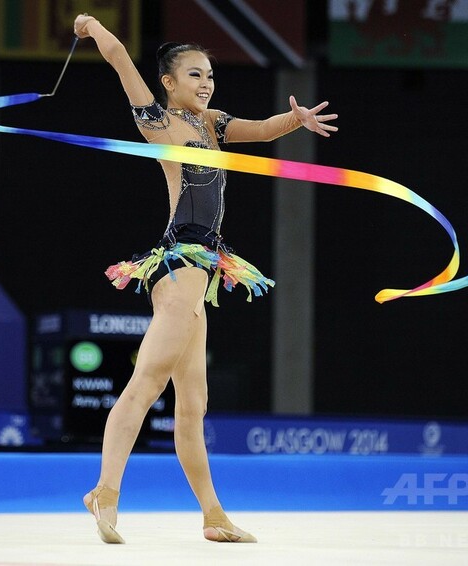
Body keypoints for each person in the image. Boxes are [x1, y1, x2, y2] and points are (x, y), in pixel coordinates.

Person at [73, 14, 338, 544]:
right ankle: (105, 490)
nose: (205, 83)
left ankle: (214, 516)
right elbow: (121, 58)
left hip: (204, 267)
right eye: (194, 74)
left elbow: (261, 131)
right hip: (180, 263)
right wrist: (91, 25)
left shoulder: (212, 124)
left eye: (210, 75)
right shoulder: (157, 122)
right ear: (168, 82)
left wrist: (296, 120)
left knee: (193, 407)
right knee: (146, 384)